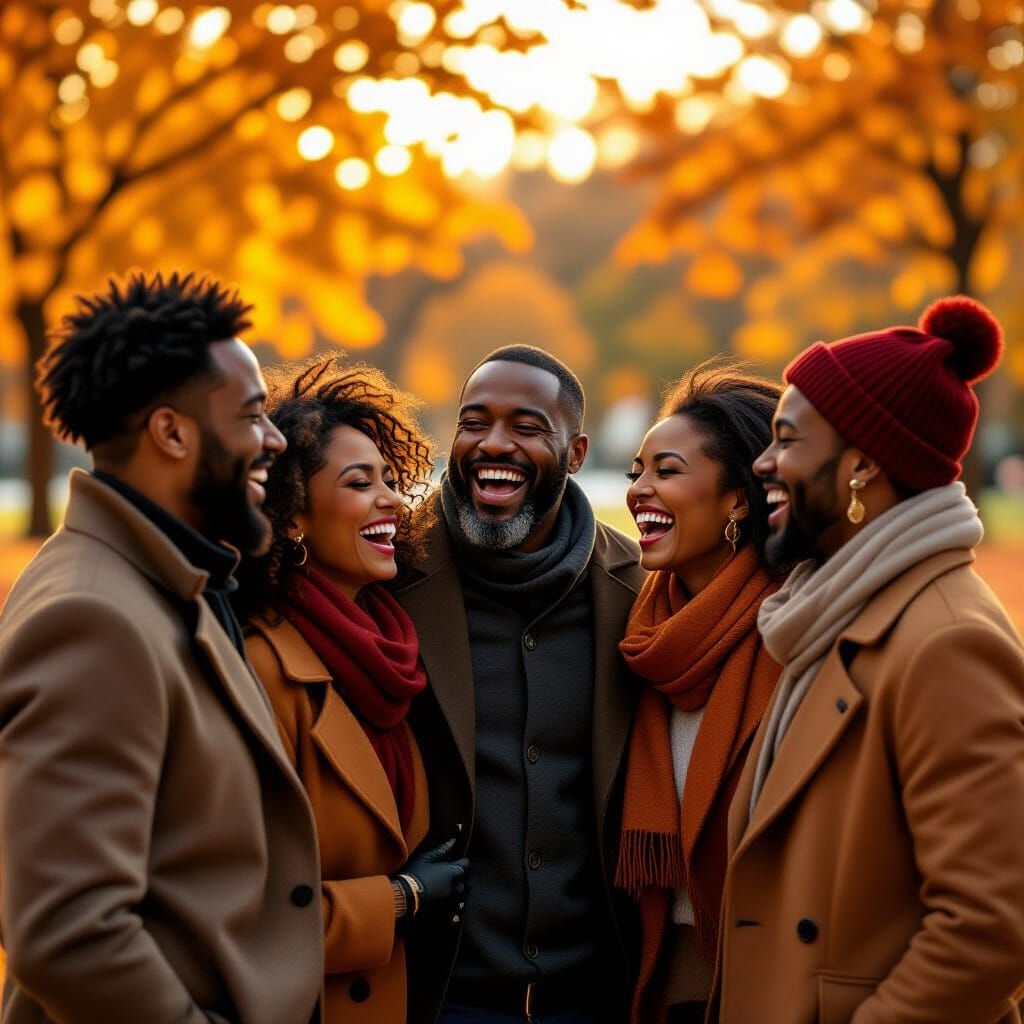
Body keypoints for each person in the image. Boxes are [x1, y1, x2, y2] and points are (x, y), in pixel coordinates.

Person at [0, 271, 324, 1023]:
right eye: (251, 416)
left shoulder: (169, 578)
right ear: (171, 432)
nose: (274, 440)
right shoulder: (93, 618)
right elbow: (67, 932)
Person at [712, 296, 1024, 1024]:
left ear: (861, 466)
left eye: (787, 439)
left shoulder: (946, 641)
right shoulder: (833, 614)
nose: (764, 461)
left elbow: (992, 923)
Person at [392, 345, 647, 1024]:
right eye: (474, 422)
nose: (493, 444)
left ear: (574, 451)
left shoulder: (639, 593)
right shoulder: (386, 577)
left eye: (528, 427)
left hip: (597, 994)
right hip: (433, 991)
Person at [236, 358, 468, 1024]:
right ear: (292, 515)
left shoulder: (392, 651)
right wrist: (400, 900)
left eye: (392, 482)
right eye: (360, 483)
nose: (392, 500)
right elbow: (240, 909)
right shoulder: (263, 667)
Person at [616, 361, 783, 1024]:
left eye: (668, 470)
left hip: (765, 986)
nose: (639, 491)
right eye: (637, 471)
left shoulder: (792, 629)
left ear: (739, 497)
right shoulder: (642, 628)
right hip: (659, 983)